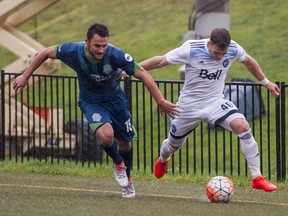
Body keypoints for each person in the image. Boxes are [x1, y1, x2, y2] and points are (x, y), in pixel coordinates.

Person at [13, 22, 179, 198]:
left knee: (125, 143)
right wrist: (25, 75)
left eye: (104, 45)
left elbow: (143, 73)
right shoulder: (72, 50)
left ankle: (128, 182)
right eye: (97, 45)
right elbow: (46, 52)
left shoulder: (115, 54)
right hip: (91, 101)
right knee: (106, 135)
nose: (101, 50)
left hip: (116, 101)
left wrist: (160, 100)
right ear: (87, 41)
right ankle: (118, 164)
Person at [140, 28, 280, 192]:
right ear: (209, 43)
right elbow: (159, 61)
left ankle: (257, 178)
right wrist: (129, 68)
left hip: (215, 102)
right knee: (173, 144)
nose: (220, 56)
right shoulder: (191, 49)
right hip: (188, 105)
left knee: (242, 126)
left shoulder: (234, 48)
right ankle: (164, 158)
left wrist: (267, 83)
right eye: (216, 52)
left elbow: (249, 62)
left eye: (223, 53)